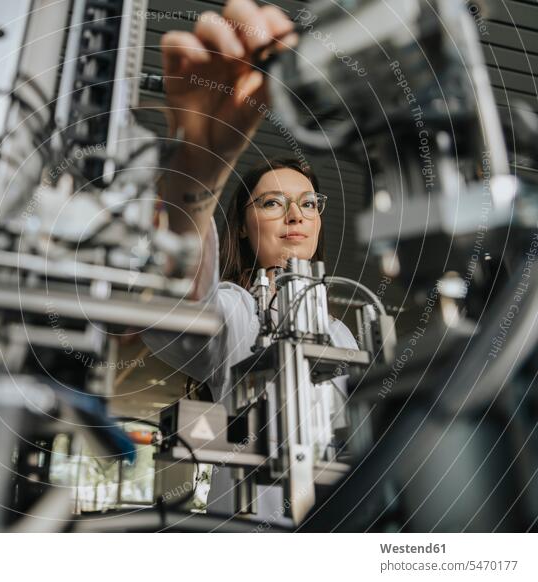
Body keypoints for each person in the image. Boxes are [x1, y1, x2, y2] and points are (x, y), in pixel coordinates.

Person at [140, 0, 358, 522]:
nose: (295, 215)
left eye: (308, 203)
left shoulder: (344, 336)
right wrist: (198, 165)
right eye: (272, 202)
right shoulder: (239, 312)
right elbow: (181, 301)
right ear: (243, 224)